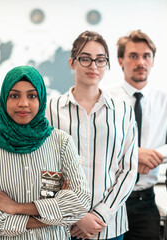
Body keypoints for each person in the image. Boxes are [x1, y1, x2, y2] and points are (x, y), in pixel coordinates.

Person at [0, 66, 91, 239]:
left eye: (32, 96)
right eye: (14, 95)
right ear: (4, 98)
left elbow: (80, 203)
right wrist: (51, 215)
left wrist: (17, 208)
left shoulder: (61, 143)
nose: (23, 103)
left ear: (41, 98)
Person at [106, 30, 167, 240]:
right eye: (133, 56)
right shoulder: (105, 98)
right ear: (121, 60)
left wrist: (156, 154)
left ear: (153, 61)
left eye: (146, 56)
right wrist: (132, 154)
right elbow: (95, 144)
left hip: (143, 202)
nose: (140, 62)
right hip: (108, 200)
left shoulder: (166, 99)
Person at [46, 31, 138, 240]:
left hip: (108, 227)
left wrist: (99, 214)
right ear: (72, 62)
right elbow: (45, 168)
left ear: (107, 64)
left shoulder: (123, 112)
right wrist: (75, 216)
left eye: (100, 60)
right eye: (85, 59)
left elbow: (129, 171)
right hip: (61, 227)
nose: (93, 66)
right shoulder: (49, 110)